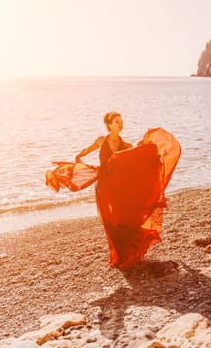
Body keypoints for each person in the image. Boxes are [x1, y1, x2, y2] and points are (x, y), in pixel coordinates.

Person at [46, 111, 181, 269]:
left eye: (121, 121)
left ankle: (126, 253)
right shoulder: (102, 140)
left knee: (121, 217)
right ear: (109, 125)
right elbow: (85, 151)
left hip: (118, 186)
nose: (120, 124)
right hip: (105, 185)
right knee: (110, 219)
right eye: (117, 121)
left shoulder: (126, 146)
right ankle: (118, 254)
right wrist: (79, 161)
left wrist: (156, 157)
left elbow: (140, 157)